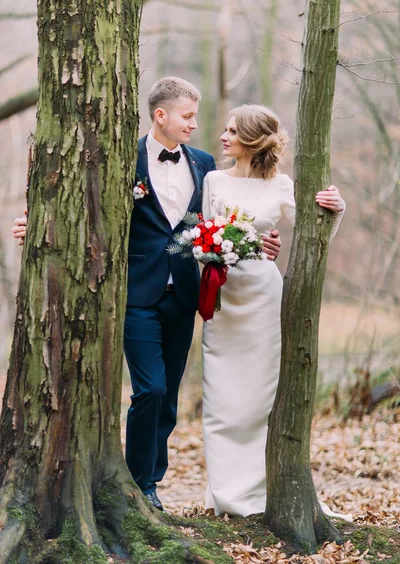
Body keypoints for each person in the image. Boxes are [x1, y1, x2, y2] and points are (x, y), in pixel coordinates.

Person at [11, 78, 282, 512]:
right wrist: (37, 227)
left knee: (169, 398)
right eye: (187, 116)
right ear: (161, 116)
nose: (195, 124)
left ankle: (151, 481)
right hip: (136, 293)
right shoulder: (125, 159)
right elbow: (79, 200)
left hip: (185, 295)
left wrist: (261, 242)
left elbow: (223, 222)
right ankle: (139, 483)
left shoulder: (206, 164)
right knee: (149, 390)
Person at [201, 104, 346, 517]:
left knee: (260, 396)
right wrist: (208, 251)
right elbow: (200, 235)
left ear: (251, 139)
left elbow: (313, 233)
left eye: (233, 131)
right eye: (225, 129)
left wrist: (335, 209)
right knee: (222, 396)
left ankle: (264, 486)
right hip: (223, 297)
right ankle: (225, 491)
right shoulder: (213, 179)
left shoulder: (281, 185)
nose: (224, 137)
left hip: (265, 298)